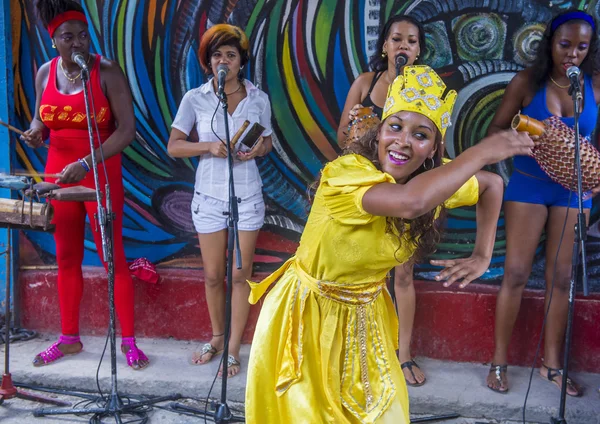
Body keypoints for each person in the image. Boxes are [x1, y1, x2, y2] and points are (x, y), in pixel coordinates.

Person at [245, 65, 534, 423]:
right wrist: (481, 152)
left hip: (366, 317)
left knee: (385, 413)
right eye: (395, 127)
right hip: (306, 318)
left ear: (432, 150)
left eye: (421, 134)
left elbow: (491, 185)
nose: (403, 141)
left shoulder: (433, 180)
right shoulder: (346, 172)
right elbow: (409, 202)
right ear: (379, 132)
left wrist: (482, 255)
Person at [21, 0, 148, 369]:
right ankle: (69, 338)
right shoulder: (45, 72)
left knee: (113, 257)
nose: (77, 43)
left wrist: (86, 162)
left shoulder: (106, 71)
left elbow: (127, 131)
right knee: (66, 256)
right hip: (58, 172)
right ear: (54, 42)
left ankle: (128, 341)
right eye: (68, 37)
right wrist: (35, 132)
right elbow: (40, 119)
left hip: (99, 169)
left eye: (82, 35)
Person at [485, 9, 600, 396]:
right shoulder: (526, 83)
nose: (572, 54)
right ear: (550, 42)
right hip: (530, 185)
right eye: (565, 44)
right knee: (516, 273)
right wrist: (527, 143)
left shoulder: (595, 86)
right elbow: (496, 128)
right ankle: (499, 361)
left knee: (562, 278)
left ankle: (551, 365)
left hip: (574, 192)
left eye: (582, 47)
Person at [167, 24, 272, 378]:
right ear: (208, 63)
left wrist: (259, 147)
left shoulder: (258, 99)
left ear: (241, 62)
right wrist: (207, 147)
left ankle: (232, 349)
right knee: (214, 276)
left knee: (240, 275)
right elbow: (174, 145)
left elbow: (267, 142)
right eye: (217, 55)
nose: (224, 60)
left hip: (247, 194)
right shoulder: (194, 99)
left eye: (231, 54)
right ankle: (215, 337)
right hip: (209, 195)